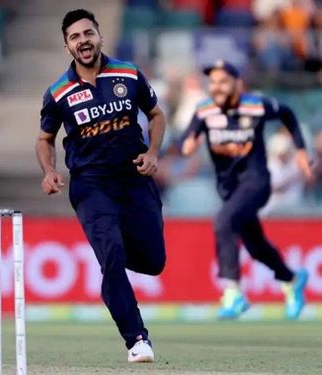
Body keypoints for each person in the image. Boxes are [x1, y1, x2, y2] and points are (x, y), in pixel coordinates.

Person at [36, 9, 166, 362]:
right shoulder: (59, 92)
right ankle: (137, 338)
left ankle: (113, 279)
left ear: (100, 36)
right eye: (75, 37)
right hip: (91, 184)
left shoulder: (128, 72)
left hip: (134, 177)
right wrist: (49, 171)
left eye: (88, 33)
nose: (84, 41)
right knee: (112, 256)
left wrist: (153, 152)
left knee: (154, 262)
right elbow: (45, 138)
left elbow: (156, 114)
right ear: (68, 46)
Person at [180, 59, 313, 320]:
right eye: (213, 82)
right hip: (229, 190)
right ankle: (293, 278)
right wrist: (189, 145)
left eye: (223, 81)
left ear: (237, 84)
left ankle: (233, 292)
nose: (217, 86)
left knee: (223, 222)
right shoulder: (205, 110)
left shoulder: (255, 105)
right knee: (256, 246)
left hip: (257, 183)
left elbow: (287, 113)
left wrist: (300, 150)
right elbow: (188, 138)